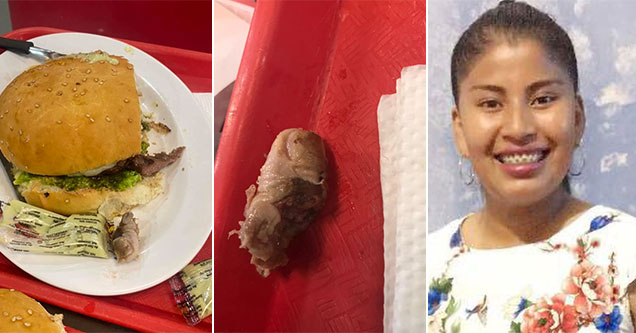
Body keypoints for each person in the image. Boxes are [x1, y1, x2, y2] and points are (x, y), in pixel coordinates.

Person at [427, 1, 636, 332]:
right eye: (491, 104)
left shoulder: (625, 255)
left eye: (542, 99)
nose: (518, 127)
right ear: (460, 131)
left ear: (577, 118)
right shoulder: (427, 265)